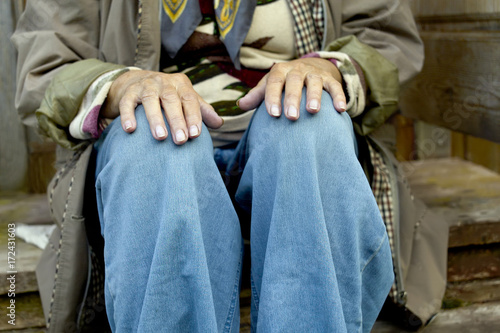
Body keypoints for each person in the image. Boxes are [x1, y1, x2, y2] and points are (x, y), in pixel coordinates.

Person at [12, 0, 438, 332]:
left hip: (291, 158)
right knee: (155, 131)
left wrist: (326, 68)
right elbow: (46, 65)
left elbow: (386, 38)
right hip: (156, 162)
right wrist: (125, 84)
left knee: (310, 118)